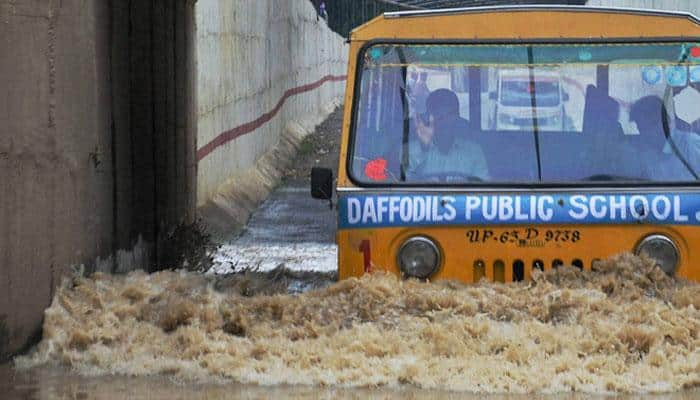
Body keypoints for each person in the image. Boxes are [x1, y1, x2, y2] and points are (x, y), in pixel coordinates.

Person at [406, 89, 489, 182]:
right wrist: (424, 148)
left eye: (449, 115)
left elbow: (484, 188)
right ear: (429, 118)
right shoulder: (411, 151)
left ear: (458, 118)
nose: (445, 122)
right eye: (440, 116)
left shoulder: (474, 151)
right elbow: (401, 182)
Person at [629, 95, 700, 181]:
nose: (646, 133)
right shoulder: (646, 154)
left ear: (667, 121)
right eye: (641, 128)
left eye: (650, 126)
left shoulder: (690, 143)